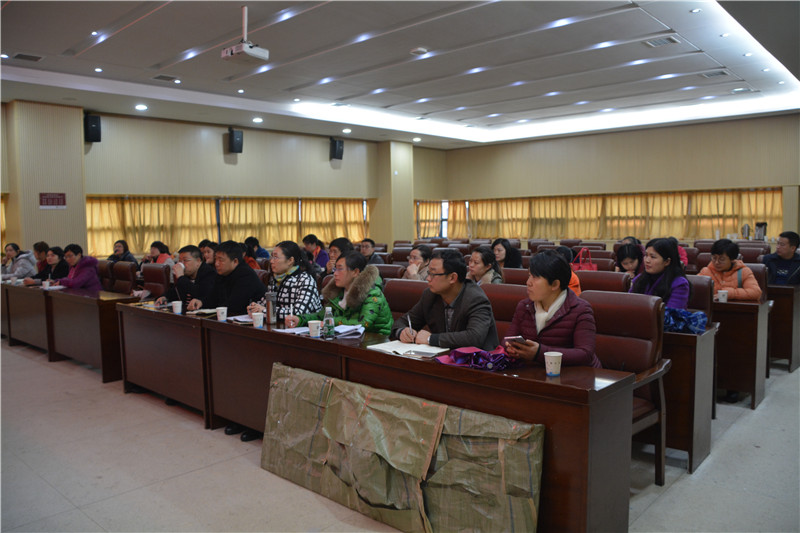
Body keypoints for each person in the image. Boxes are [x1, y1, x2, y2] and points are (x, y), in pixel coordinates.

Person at [504, 250, 601, 368]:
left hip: (576, 374)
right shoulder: (524, 306)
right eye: (529, 276)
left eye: (535, 277)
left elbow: (585, 354)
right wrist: (512, 348)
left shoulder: (580, 309)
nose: (528, 282)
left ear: (555, 284)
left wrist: (539, 353)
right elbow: (507, 340)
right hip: (536, 373)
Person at [391, 249, 499, 351]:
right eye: (428, 273)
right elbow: (402, 322)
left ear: (452, 278)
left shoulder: (476, 298)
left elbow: (474, 337)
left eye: (433, 274)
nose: (428, 278)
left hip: (478, 360)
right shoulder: (430, 295)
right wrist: (402, 332)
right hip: (442, 358)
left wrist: (431, 339)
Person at [285, 251, 392, 334]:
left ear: (355, 272)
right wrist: (300, 319)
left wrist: (330, 322)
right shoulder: (338, 290)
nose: (335, 274)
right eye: (335, 269)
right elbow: (321, 316)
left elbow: (364, 323)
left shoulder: (372, 291)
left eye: (340, 269)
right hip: (349, 339)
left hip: (376, 340)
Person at [248, 241, 322, 321]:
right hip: (280, 325)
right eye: (271, 256)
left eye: (276, 257)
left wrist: (265, 311)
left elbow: (299, 313)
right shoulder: (275, 278)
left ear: (290, 260)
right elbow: (264, 303)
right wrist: (254, 307)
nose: (271, 261)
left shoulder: (305, 280)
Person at [190, 240, 266, 315]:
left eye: (221, 260)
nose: (216, 264)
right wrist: (201, 302)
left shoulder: (245, 275)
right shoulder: (222, 273)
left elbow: (235, 306)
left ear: (235, 261)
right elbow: (213, 298)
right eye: (216, 259)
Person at [629, 238, 690, 309]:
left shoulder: (679, 284)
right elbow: (629, 302)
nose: (647, 260)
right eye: (646, 255)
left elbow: (672, 313)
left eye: (653, 257)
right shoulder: (640, 278)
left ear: (667, 262)